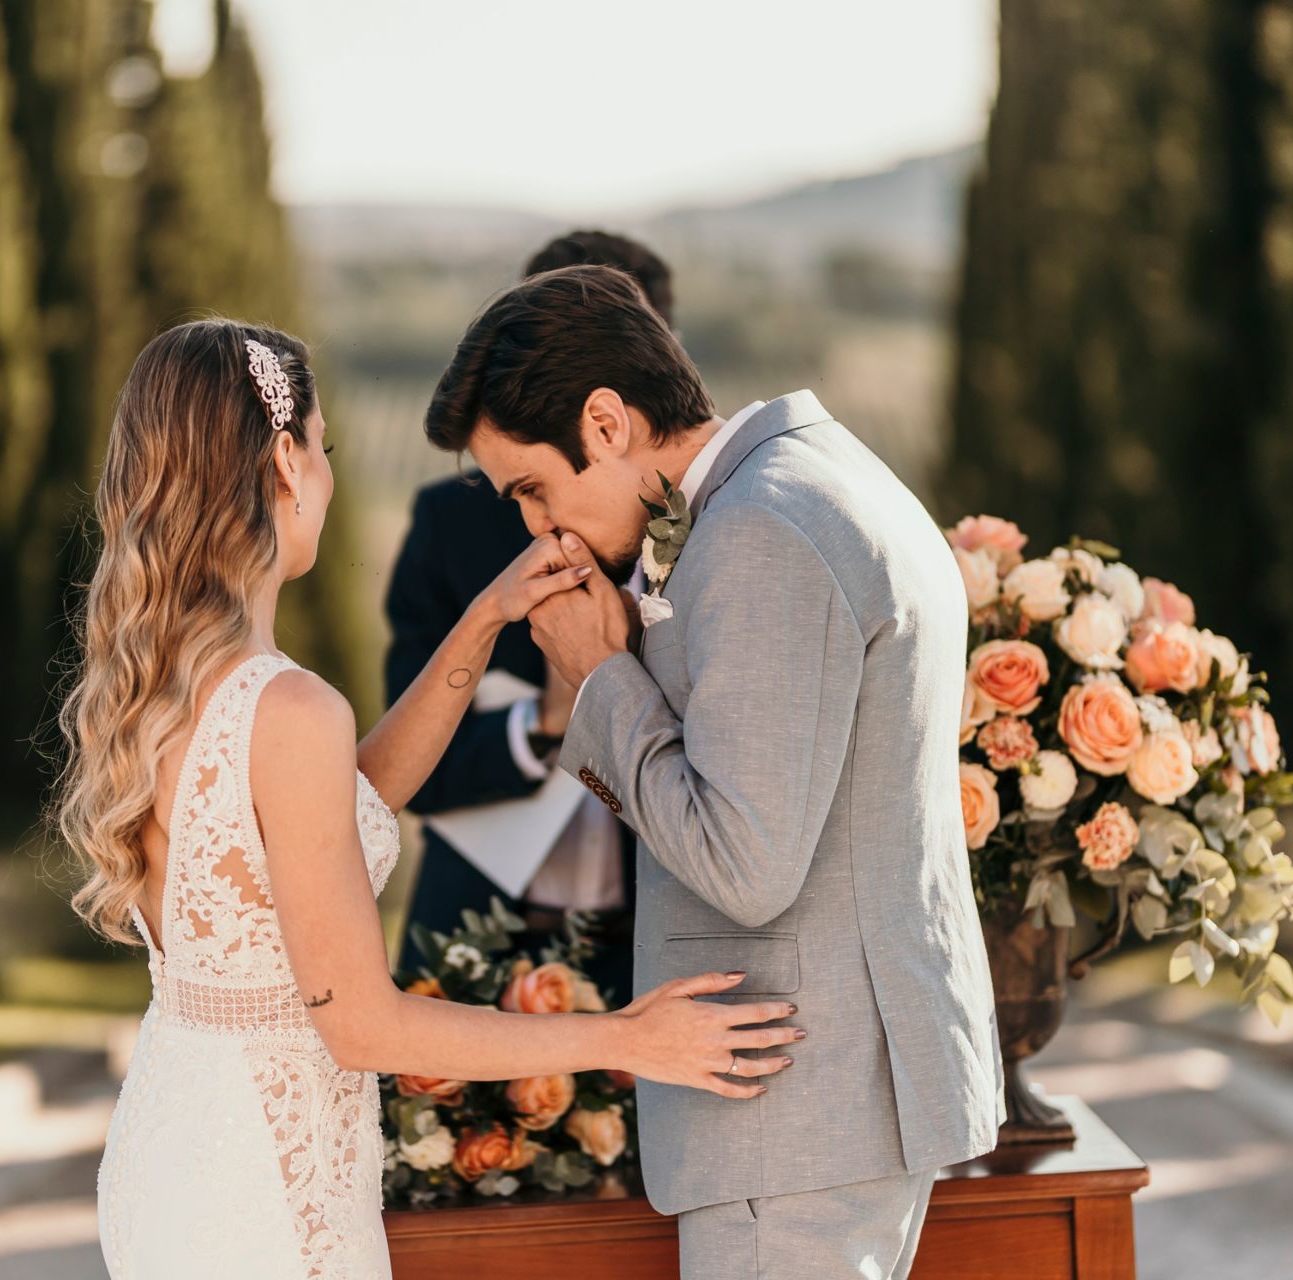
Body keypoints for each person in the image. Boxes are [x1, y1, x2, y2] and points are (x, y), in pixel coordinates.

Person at [55, 318, 801, 1280]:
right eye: (322, 448)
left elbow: (334, 805)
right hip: (269, 1191)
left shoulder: (172, 683)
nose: (324, 474)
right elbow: (364, 1026)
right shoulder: (286, 708)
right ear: (285, 461)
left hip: (177, 1145)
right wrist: (630, 1037)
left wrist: (484, 619)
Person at [424, 266, 1005, 1280]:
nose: (534, 526)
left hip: (786, 1111)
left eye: (531, 487)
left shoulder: (759, 533)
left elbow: (745, 861)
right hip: (830, 1103)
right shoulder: (829, 476)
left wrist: (601, 675)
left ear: (605, 422)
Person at [387, 230, 676, 1002]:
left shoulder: (711, 531)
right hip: (475, 939)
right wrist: (541, 726)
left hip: (652, 945)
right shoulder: (451, 527)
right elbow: (399, 766)